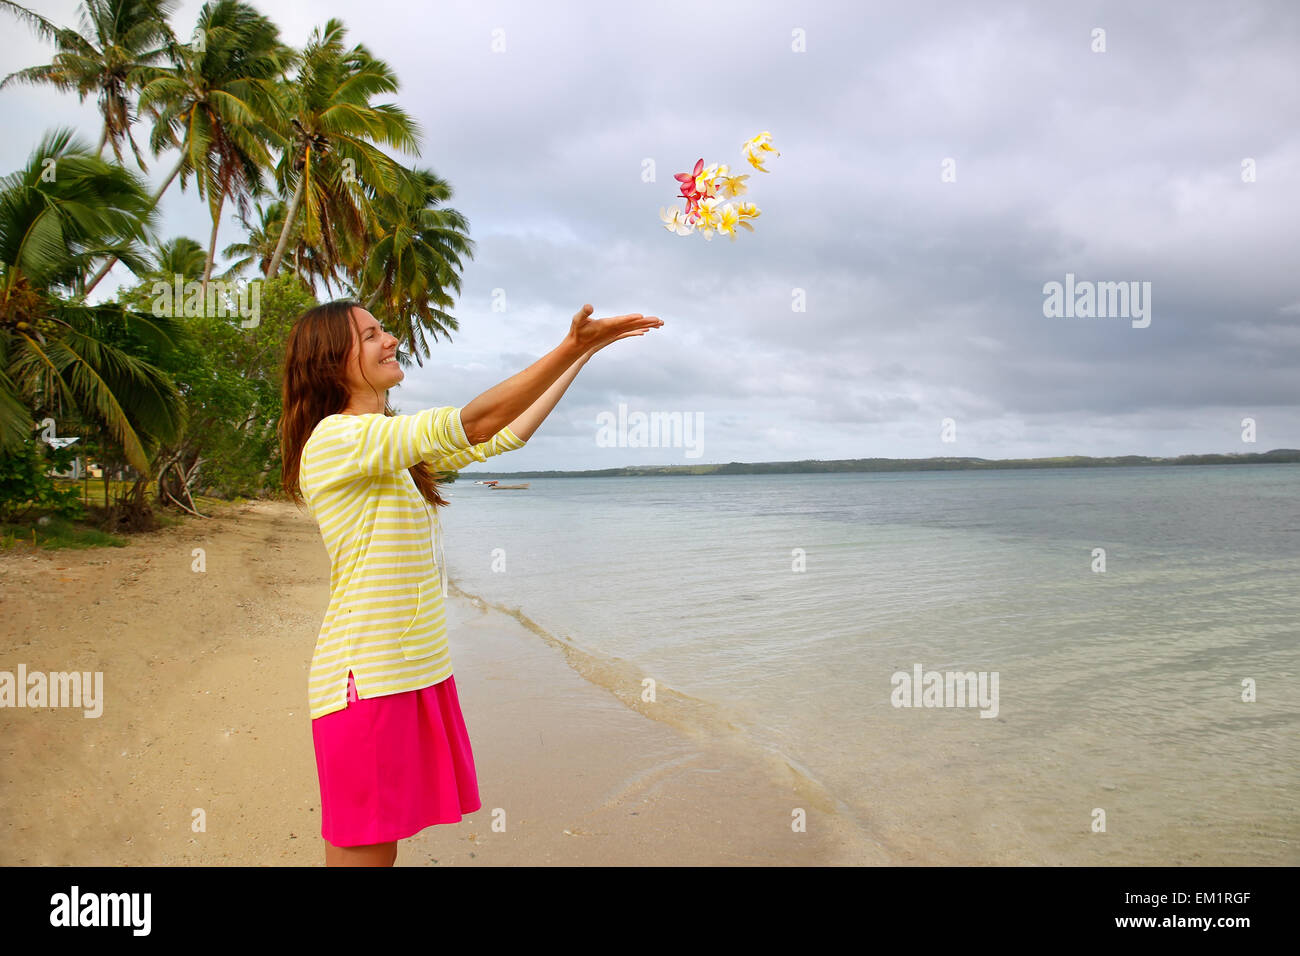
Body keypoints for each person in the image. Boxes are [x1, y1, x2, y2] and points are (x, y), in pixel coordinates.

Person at [280, 300, 663, 866]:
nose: (389, 340)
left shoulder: (382, 443)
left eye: (383, 330)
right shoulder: (338, 439)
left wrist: (581, 356)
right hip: (364, 675)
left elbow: (503, 436)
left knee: (379, 847)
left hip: (411, 669)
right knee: (365, 848)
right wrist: (569, 346)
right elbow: (475, 421)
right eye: (369, 336)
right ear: (329, 361)